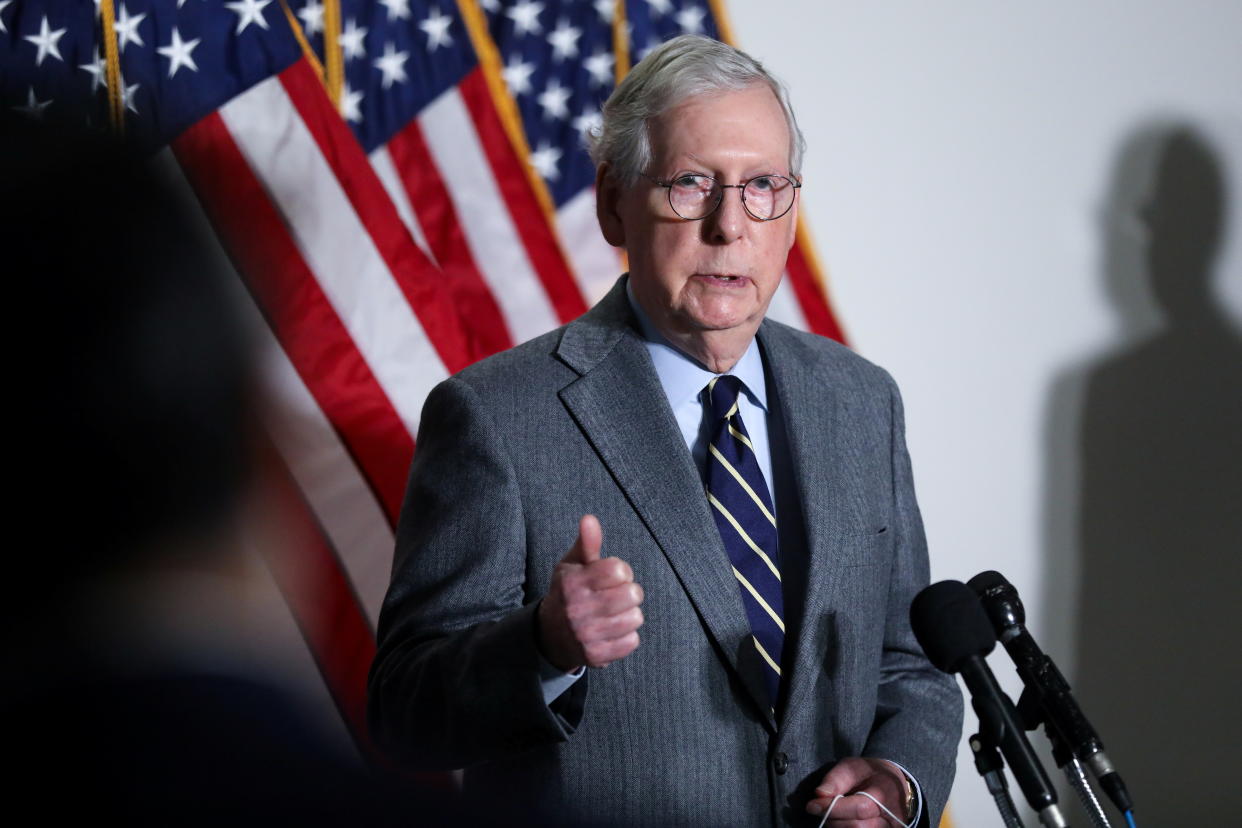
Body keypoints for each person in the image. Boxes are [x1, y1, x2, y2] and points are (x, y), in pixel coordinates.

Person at [368, 36, 962, 827]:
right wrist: (541, 647)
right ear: (615, 200)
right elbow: (403, 712)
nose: (730, 225)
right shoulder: (496, 415)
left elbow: (911, 665)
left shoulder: (861, 403)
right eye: (691, 183)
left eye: (762, 187)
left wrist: (897, 781)